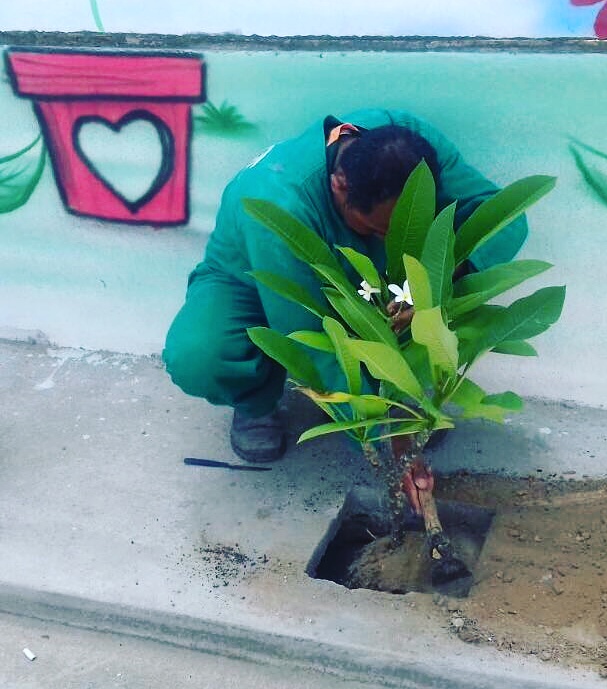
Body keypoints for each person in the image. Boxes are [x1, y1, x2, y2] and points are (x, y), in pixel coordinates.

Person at [163, 108, 527, 468]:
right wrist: (382, 437)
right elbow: (300, 330)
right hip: (256, 281)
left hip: (360, 280)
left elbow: (503, 220)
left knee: (427, 300)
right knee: (199, 355)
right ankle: (256, 402)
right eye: (377, 228)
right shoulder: (279, 202)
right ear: (340, 185)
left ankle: (390, 395)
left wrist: (436, 285)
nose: (393, 238)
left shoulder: (409, 145)